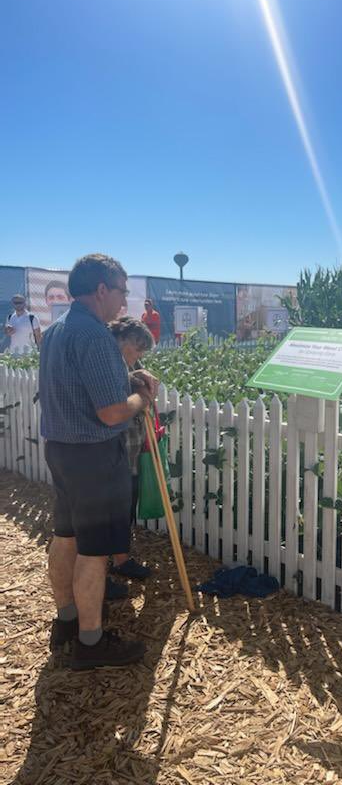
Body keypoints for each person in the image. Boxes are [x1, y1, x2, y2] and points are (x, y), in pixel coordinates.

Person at [40, 253, 158, 669]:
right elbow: (110, 412)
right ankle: (92, 644)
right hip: (93, 454)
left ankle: (68, 621)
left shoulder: (57, 330)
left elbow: (77, 386)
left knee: (66, 536)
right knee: (94, 551)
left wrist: (124, 383)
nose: (124, 301)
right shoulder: (94, 336)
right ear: (102, 290)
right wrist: (141, 397)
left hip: (61, 448)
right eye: (122, 291)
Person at [108, 317, 155, 582]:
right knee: (112, 511)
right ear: (121, 340)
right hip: (114, 451)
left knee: (127, 507)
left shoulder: (129, 363)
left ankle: (121, 558)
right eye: (136, 349)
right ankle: (112, 562)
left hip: (132, 450)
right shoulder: (107, 360)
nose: (138, 356)